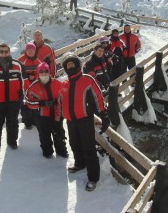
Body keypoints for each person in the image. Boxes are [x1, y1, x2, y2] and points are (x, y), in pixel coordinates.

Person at [57, 53, 110, 192]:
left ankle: (93, 178)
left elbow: (98, 97)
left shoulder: (87, 79)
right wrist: (58, 120)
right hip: (70, 121)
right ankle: (80, 164)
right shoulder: (64, 84)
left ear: (77, 64)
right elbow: (60, 104)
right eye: (67, 64)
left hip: (85, 120)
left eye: (72, 63)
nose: (70, 66)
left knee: (89, 149)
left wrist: (104, 115)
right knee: (74, 144)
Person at [25, 62, 68, 159]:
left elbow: (65, 97)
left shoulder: (57, 83)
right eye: (41, 71)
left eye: (46, 71)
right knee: (44, 135)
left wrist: (58, 103)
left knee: (59, 132)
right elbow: (28, 101)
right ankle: (47, 152)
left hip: (57, 113)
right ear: (37, 73)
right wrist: (40, 104)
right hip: (41, 115)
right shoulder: (33, 87)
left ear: (49, 72)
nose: (44, 74)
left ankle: (61, 151)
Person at [18, 42, 42, 130]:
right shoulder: (21, 60)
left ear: (35, 51)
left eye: (32, 50)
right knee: (25, 104)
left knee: (35, 102)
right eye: (29, 50)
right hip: (24, 85)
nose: (31, 52)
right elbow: (17, 72)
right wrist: (28, 77)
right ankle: (27, 122)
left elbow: (41, 72)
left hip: (35, 86)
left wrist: (34, 77)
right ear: (26, 51)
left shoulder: (38, 61)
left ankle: (34, 121)